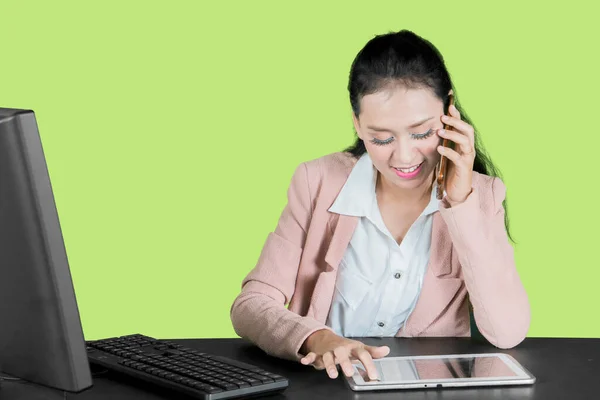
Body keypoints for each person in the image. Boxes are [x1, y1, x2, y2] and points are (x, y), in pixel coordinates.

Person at [230, 29, 530, 381]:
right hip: (327, 386)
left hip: (428, 390)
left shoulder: (483, 195)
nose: (403, 157)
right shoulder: (317, 181)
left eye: (421, 133)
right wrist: (317, 338)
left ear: (450, 111)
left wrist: (460, 202)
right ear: (357, 124)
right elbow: (250, 306)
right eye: (381, 138)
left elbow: (507, 332)